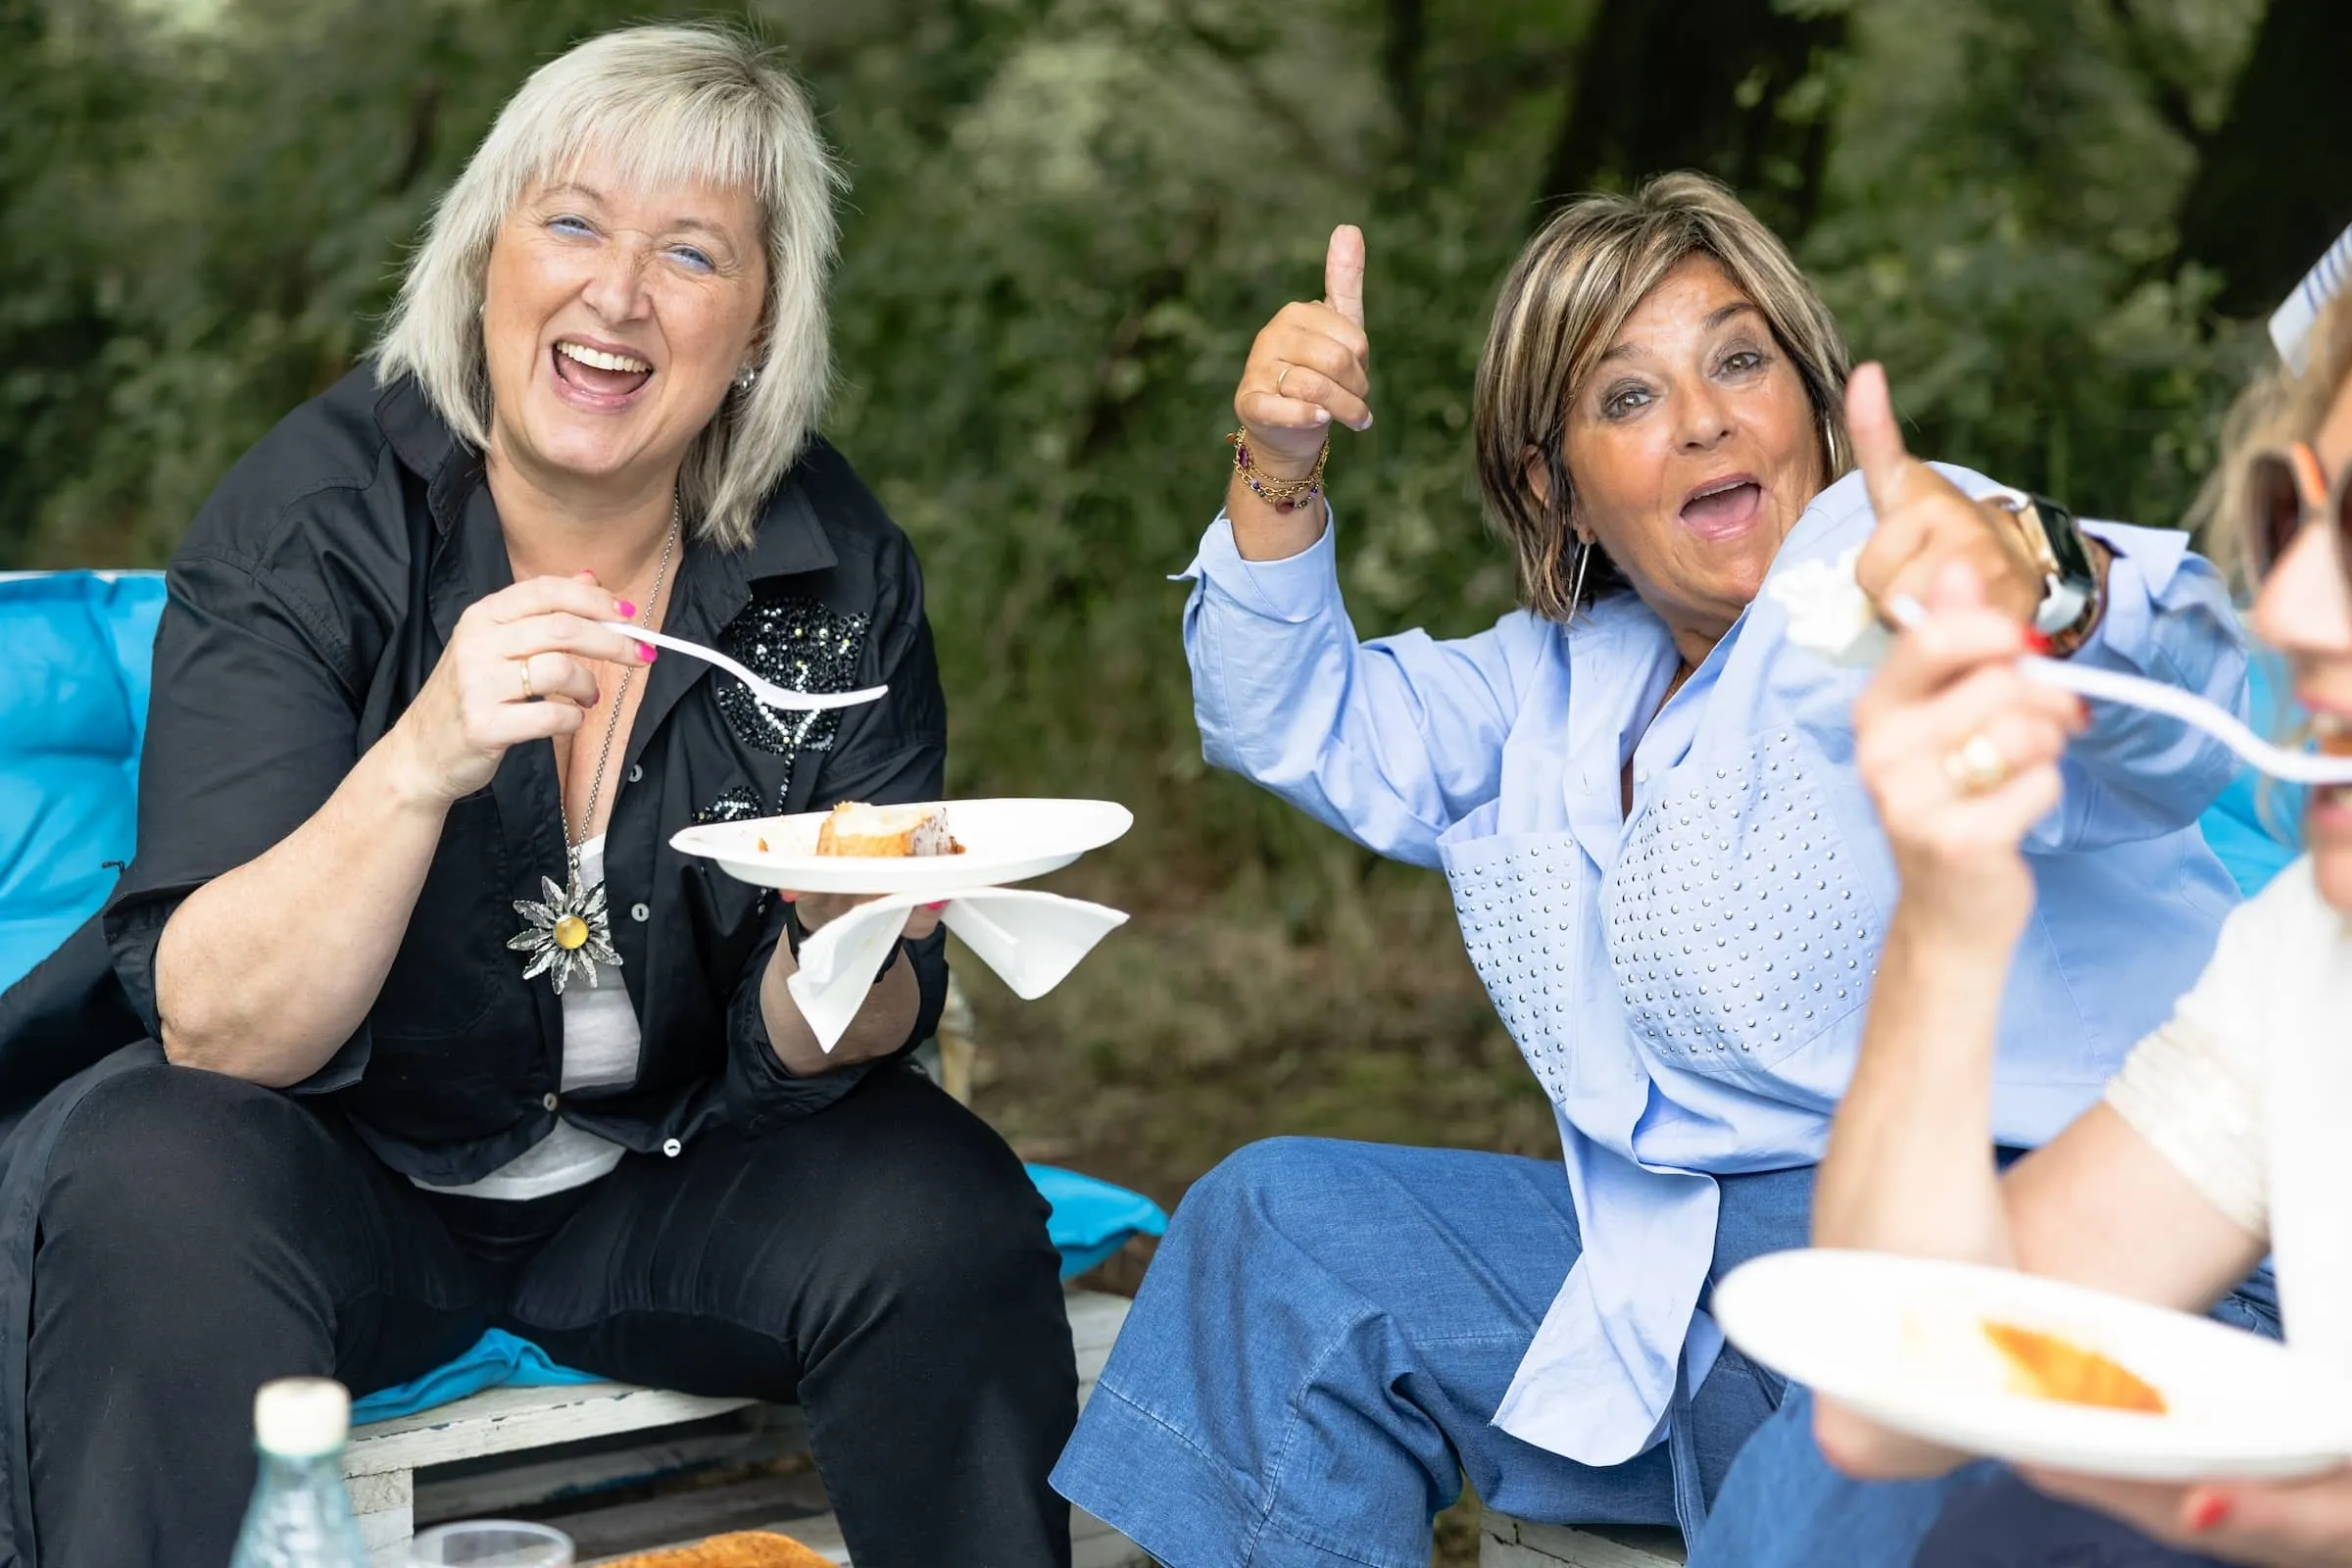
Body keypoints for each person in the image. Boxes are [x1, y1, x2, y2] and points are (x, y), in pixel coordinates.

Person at [1051, 172, 2267, 1565]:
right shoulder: (1559, 683)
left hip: (2054, 1266)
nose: (1703, 418)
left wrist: (2054, 581)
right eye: (1627, 398)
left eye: (1741, 360)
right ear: (1552, 488)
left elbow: (2170, 720)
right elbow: (1289, 719)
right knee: (1284, 1234)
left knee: (1840, 1468)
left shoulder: (1897, 578)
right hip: (1685, 1296)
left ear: (1813, 407)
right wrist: (1278, 458)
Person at [0, 24, 1073, 1568]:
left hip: (667, 1181)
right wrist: (423, 756)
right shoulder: (312, 524)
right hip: (330, 1177)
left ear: (760, 323)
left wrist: (845, 943)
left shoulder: (830, 568)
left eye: (692, 254)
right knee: (149, 1174)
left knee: (944, 1209)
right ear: (483, 261)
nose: (618, 294)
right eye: (572, 223)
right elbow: (224, 1030)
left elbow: (841, 1040)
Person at [1688, 280, 2352, 1567]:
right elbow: (1898, 1408)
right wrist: (1947, 899)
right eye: (2294, 517)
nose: (2288, 610)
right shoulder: (2302, 964)